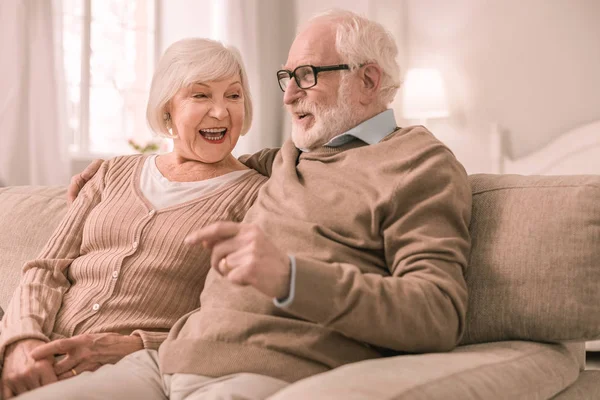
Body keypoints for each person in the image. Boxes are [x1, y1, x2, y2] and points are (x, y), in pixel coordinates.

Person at [24, 9, 472, 400]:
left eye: (307, 76)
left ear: (368, 81)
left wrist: (291, 278)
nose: (288, 95)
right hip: (169, 362)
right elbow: (201, 164)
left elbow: (436, 313)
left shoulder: (418, 165)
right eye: (286, 77)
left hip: (263, 371)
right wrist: (115, 173)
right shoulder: (289, 157)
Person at [0, 38, 267, 399]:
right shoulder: (112, 172)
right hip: (33, 343)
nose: (221, 112)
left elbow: (231, 321)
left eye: (233, 96)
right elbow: (46, 268)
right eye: (201, 95)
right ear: (167, 108)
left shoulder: (257, 196)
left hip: (124, 370)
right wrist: (20, 341)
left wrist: (134, 345)